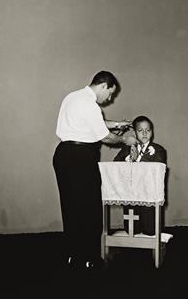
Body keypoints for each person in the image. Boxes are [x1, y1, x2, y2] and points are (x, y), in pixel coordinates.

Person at [53, 70, 138, 272]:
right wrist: (125, 139)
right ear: (103, 86)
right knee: (89, 210)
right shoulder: (90, 104)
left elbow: (93, 124)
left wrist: (118, 124)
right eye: (110, 93)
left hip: (63, 154)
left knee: (71, 207)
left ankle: (73, 256)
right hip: (81, 157)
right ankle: (91, 259)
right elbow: (106, 137)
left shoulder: (73, 97)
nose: (109, 99)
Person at [114, 115, 167, 235]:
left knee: (150, 230)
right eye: (140, 130)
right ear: (134, 132)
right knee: (132, 230)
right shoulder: (127, 149)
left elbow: (156, 167)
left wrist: (137, 160)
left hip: (149, 194)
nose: (144, 133)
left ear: (152, 132)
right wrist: (129, 159)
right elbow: (116, 165)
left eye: (148, 130)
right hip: (130, 194)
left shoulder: (158, 150)